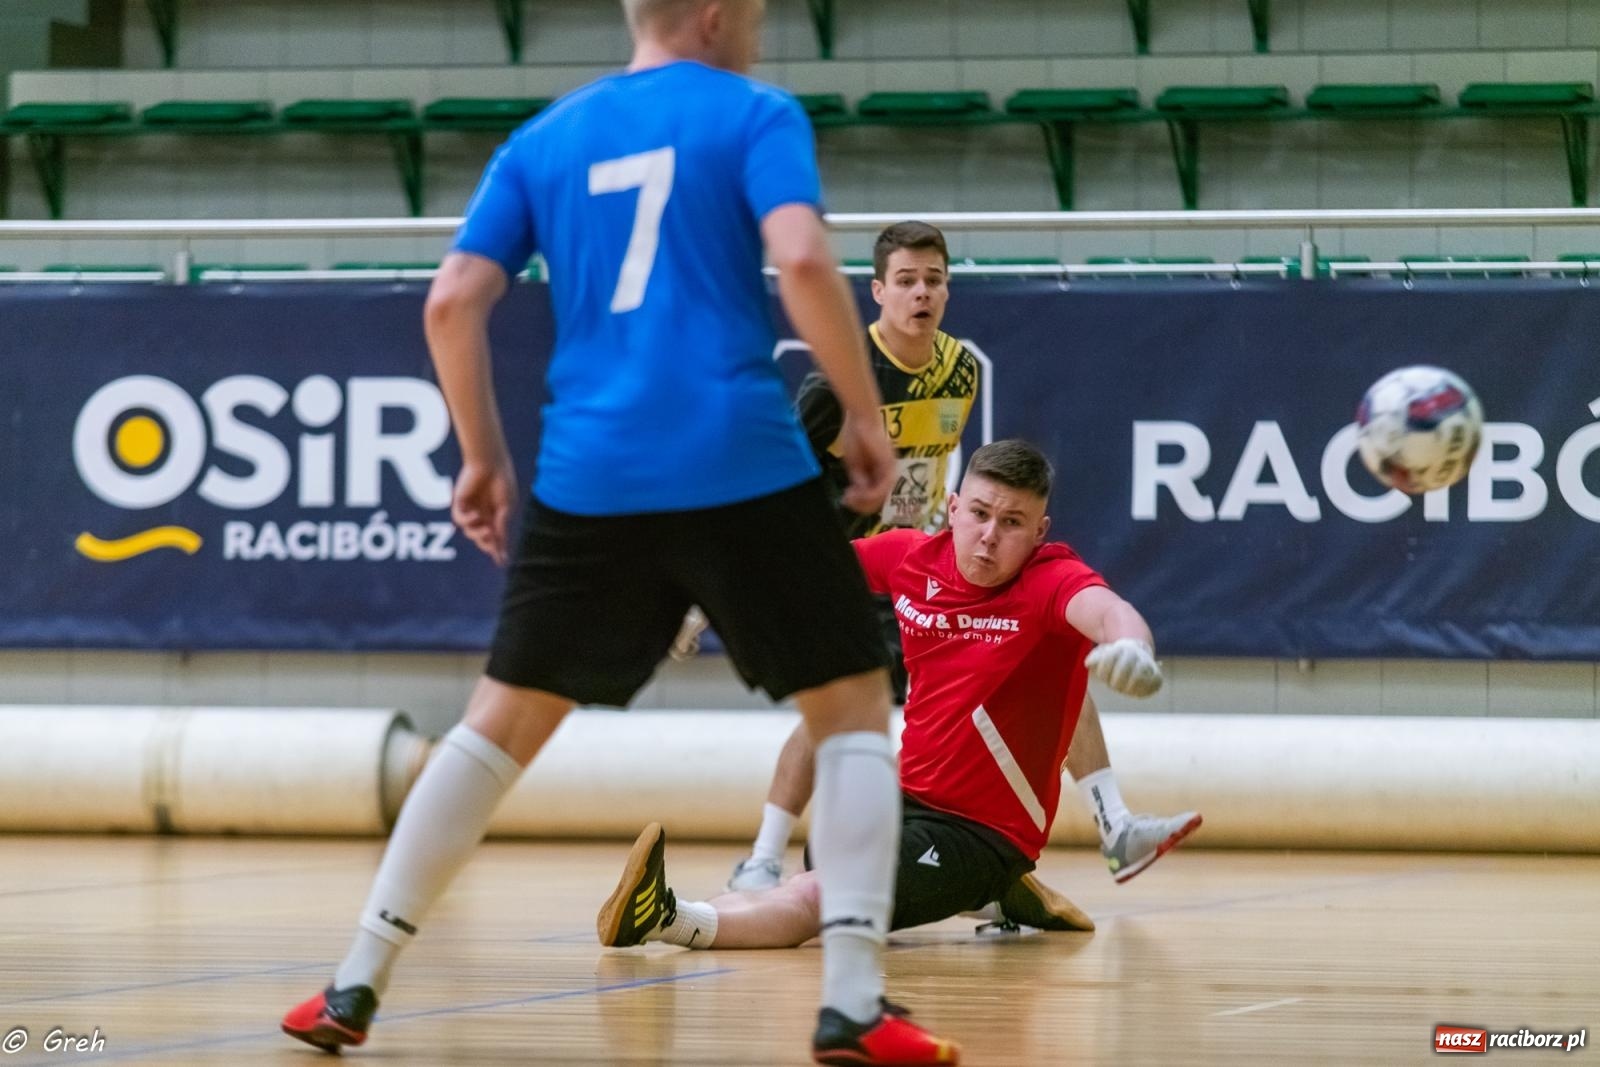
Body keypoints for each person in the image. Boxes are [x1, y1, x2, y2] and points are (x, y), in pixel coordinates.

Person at [280, 2, 958, 1064]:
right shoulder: (754, 114)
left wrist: (481, 455)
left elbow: (453, 299)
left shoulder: (545, 137)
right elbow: (807, 263)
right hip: (739, 458)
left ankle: (353, 980)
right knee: (852, 709)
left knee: (495, 726)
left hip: (591, 474)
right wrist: (866, 416)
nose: (763, 27)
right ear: (713, 12)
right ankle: (854, 1003)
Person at [688, 220, 1199, 903]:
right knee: (838, 709)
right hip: (851, 570)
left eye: (933, 280)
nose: (921, 293)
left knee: (1050, 656)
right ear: (877, 292)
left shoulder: (958, 367)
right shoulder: (837, 385)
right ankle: (761, 858)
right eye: (906, 281)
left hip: (928, 569)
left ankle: (1114, 825)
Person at [599, 440, 1168, 962]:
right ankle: (998, 900)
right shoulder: (911, 558)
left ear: (1039, 532)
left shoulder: (1051, 583)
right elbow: (800, 569)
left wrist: (1133, 646)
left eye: (1012, 522)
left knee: (827, 895)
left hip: (981, 835)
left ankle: (670, 918)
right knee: (822, 870)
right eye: (979, 513)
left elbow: (1107, 610)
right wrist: (700, 602)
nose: (990, 534)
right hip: (898, 801)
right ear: (952, 508)